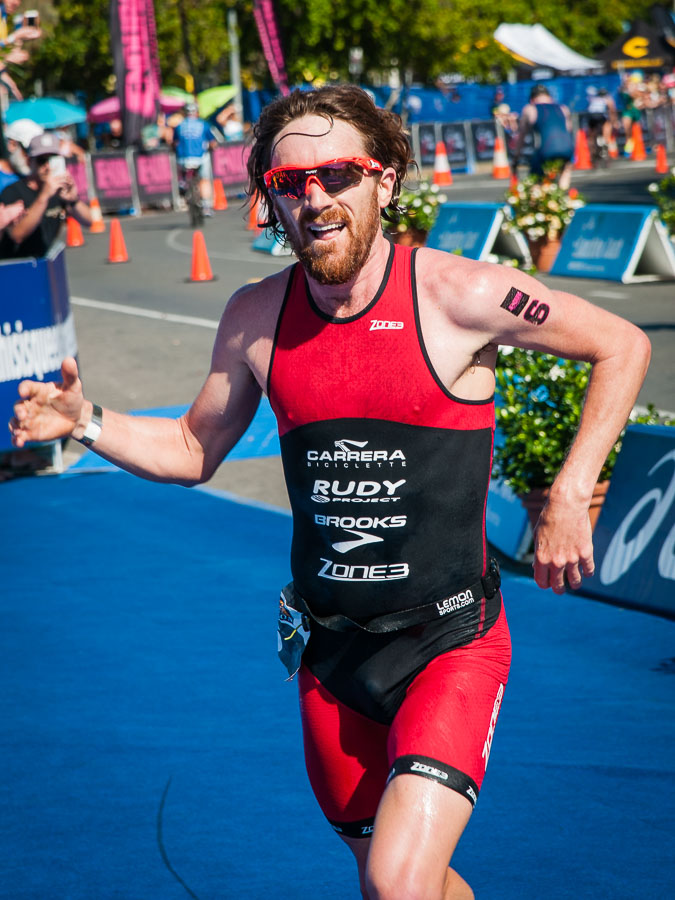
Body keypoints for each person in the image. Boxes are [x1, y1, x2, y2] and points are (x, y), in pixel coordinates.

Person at [9, 85, 651, 899]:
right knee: (399, 883)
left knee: (396, 881)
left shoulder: (461, 294)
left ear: (384, 181)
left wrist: (568, 493)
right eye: (290, 183)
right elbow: (189, 447)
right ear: (269, 199)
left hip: (449, 645)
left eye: (338, 174)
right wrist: (85, 419)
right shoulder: (253, 318)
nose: (314, 198)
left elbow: (620, 344)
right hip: (329, 657)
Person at [0, 131, 91, 259]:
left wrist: (73, 200)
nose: (48, 166)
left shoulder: (59, 191)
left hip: (45, 262)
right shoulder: (13, 191)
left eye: (53, 159)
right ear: (29, 161)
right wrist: (44, 196)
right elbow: (17, 235)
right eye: (42, 161)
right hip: (16, 264)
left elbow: (90, 221)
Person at [512, 84, 574, 189]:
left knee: (534, 182)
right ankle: (563, 195)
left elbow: (521, 136)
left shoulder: (530, 109)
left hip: (546, 150)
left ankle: (536, 195)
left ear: (532, 99)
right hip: (567, 149)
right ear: (550, 98)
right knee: (565, 169)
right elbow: (569, 130)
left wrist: (516, 158)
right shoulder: (563, 108)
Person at [173, 100, 217, 214]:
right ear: (196, 112)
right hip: (200, 157)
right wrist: (212, 148)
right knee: (204, 180)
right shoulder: (203, 124)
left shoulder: (179, 126)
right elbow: (213, 143)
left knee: (180, 167)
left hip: (183, 159)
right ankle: (207, 206)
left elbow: (174, 142)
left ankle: (182, 183)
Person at [585, 86, 618, 159]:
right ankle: (605, 150)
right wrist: (614, 122)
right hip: (600, 118)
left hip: (592, 118)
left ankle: (592, 152)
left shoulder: (593, 99)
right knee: (606, 135)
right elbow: (612, 110)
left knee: (591, 137)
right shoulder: (607, 99)